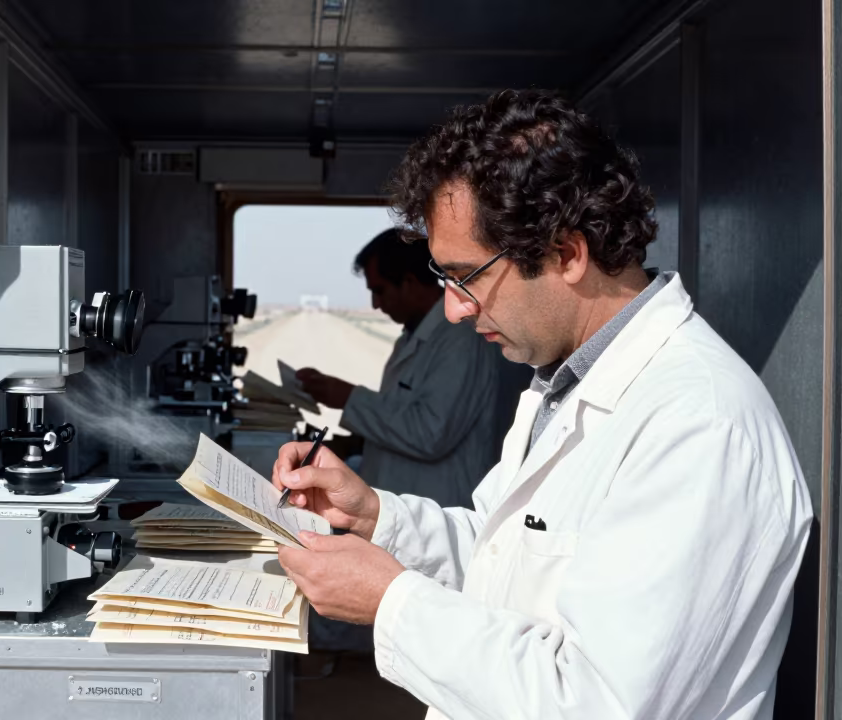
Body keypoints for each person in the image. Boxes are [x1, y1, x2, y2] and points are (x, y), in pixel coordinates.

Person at [272, 89, 812, 720]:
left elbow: (595, 702)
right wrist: (374, 517)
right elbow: (502, 553)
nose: (454, 308)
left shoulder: (699, 424)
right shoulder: (565, 382)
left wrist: (391, 603)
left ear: (566, 253)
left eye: (467, 277)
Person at [295, 228, 506, 509]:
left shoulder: (461, 339)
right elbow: (400, 415)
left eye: (379, 291)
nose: (375, 304)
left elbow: (430, 433)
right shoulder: (412, 338)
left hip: (438, 508)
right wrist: (356, 443)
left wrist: (348, 398)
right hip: (406, 507)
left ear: (409, 282)